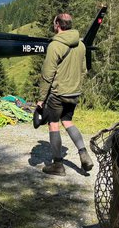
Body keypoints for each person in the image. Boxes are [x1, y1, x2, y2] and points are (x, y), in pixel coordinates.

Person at [38, 13, 95, 177]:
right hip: (74, 92)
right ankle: (84, 154)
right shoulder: (81, 45)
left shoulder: (55, 46)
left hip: (57, 93)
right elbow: (84, 69)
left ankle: (57, 165)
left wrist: (41, 99)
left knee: (53, 124)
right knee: (68, 121)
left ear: (57, 24)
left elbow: (47, 75)